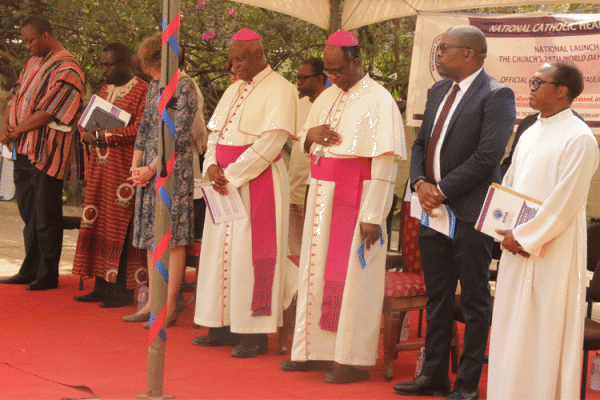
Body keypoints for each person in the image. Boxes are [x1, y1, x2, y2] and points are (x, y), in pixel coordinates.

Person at [393, 25, 515, 400]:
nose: (438, 54)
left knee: (476, 300)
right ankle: (433, 376)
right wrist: (418, 184)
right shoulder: (438, 90)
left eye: (444, 49)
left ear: (469, 54)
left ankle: (466, 386)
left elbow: (487, 157)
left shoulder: (496, 95)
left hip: (471, 214)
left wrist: (441, 191)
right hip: (434, 213)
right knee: (438, 296)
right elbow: (419, 145)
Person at [280, 30, 406, 384]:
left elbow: (384, 164)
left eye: (338, 70)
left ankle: (351, 360)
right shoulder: (327, 97)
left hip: (356, 195)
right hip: (322, 193)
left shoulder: (380, 100)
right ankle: (312, 351)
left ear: (356, 62)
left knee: (353, 279)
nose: (333, 77)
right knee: (314, 272)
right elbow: (305, 138)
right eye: (329, 71)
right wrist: (310, 135)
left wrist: (373, 216)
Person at [488, 60, 599, 399]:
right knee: (510, 323)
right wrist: (503, 228)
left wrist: (524, 237)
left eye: (539, 81)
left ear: (562, 90)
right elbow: (510, 182)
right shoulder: (531, 128)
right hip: (515, 244)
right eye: (532, 80)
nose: (531, 86)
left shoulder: (580, 138)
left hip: (553, 249)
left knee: (542, 329)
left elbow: (565, 201)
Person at [192, 28, 298, 358]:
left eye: (239, 59)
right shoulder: (233, 89)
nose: (233, 66)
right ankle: (220, 326)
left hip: (257, 182)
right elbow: (214, 134)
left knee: (249, 258)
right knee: (217, 255)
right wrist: (210, 166)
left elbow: (271, 142)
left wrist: (232, 175)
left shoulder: (281, 89)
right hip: (223, 183)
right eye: (231, 59)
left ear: (257, 54)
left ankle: (253, 334)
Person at [123, 34, 205, 327]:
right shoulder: (155, 86)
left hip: (174, 170)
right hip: (149, 168)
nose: (150, 74)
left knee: (173, 236)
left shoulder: (185, 86)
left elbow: (179, 134)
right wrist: (136, 166)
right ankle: (152, 302)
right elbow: (145, 127)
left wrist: (153, 168)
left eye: (153, 67)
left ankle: (168, 305)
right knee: (149, 234)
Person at [0, 16, 85, 290]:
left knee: (47, 212)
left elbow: (51, 110)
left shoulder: (68, 66)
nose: (27, 46)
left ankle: (48, 274)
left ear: (46, 35)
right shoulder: (33, 62)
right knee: (28, 211)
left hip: (46, 151)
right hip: (23, 148)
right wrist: (4, 124)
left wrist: (16, 130)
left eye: (30, 40)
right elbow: (15, 95)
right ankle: (30, 268)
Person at [71, 43, 149, 307]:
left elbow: (141, 130)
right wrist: (87, 133)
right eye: (102, 64)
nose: (103, 70)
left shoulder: (143, 90)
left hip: (123, 170)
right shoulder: (104, 90)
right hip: (99, 168)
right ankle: (101, 286)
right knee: (97, 223)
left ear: (126, 62)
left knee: (121, 227)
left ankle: (123, 291)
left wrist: (105, 135)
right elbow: (88, 123)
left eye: (109, 64)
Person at [287, 58, 328, 256]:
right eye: (298, 77)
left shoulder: (330, 103)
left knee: (313, 250)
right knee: (294, 251)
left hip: (313, 188)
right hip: (292, 186)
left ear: (320, 78)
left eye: (303, 78)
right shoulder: (299, 103)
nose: (299, 82)